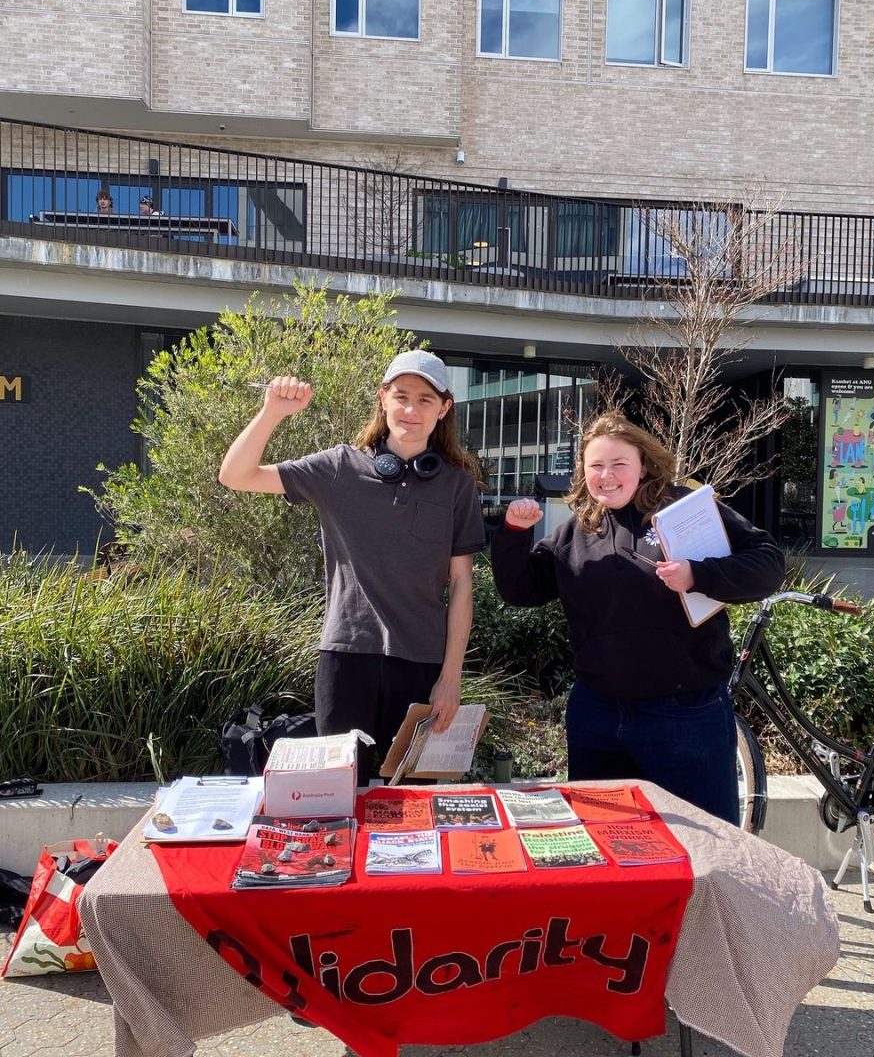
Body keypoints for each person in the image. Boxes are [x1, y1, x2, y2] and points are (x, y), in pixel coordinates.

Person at [491, 411, 785, 825]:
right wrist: (513, 534)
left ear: (643, 464)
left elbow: (768, 564)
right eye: (595, 466)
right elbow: (521, 590)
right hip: (598, 713)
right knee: (607, 846)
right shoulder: (576, 532)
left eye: (618, 464)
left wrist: (698, 575)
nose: (606, 475)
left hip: (685, 713)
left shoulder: (683, 509)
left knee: (702, 845)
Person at [219, 349, 486, 783]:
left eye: (424, 400)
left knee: (415, 799)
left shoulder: (457, 485)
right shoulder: (339, 468)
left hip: (422, 662)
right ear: (383, 398)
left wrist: (451, 676)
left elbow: (461, 584)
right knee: (339, 793)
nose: (410, 410)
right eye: (401, 396)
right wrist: (271, 412)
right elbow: (236, 475)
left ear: (444, 408)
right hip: (346, 656)